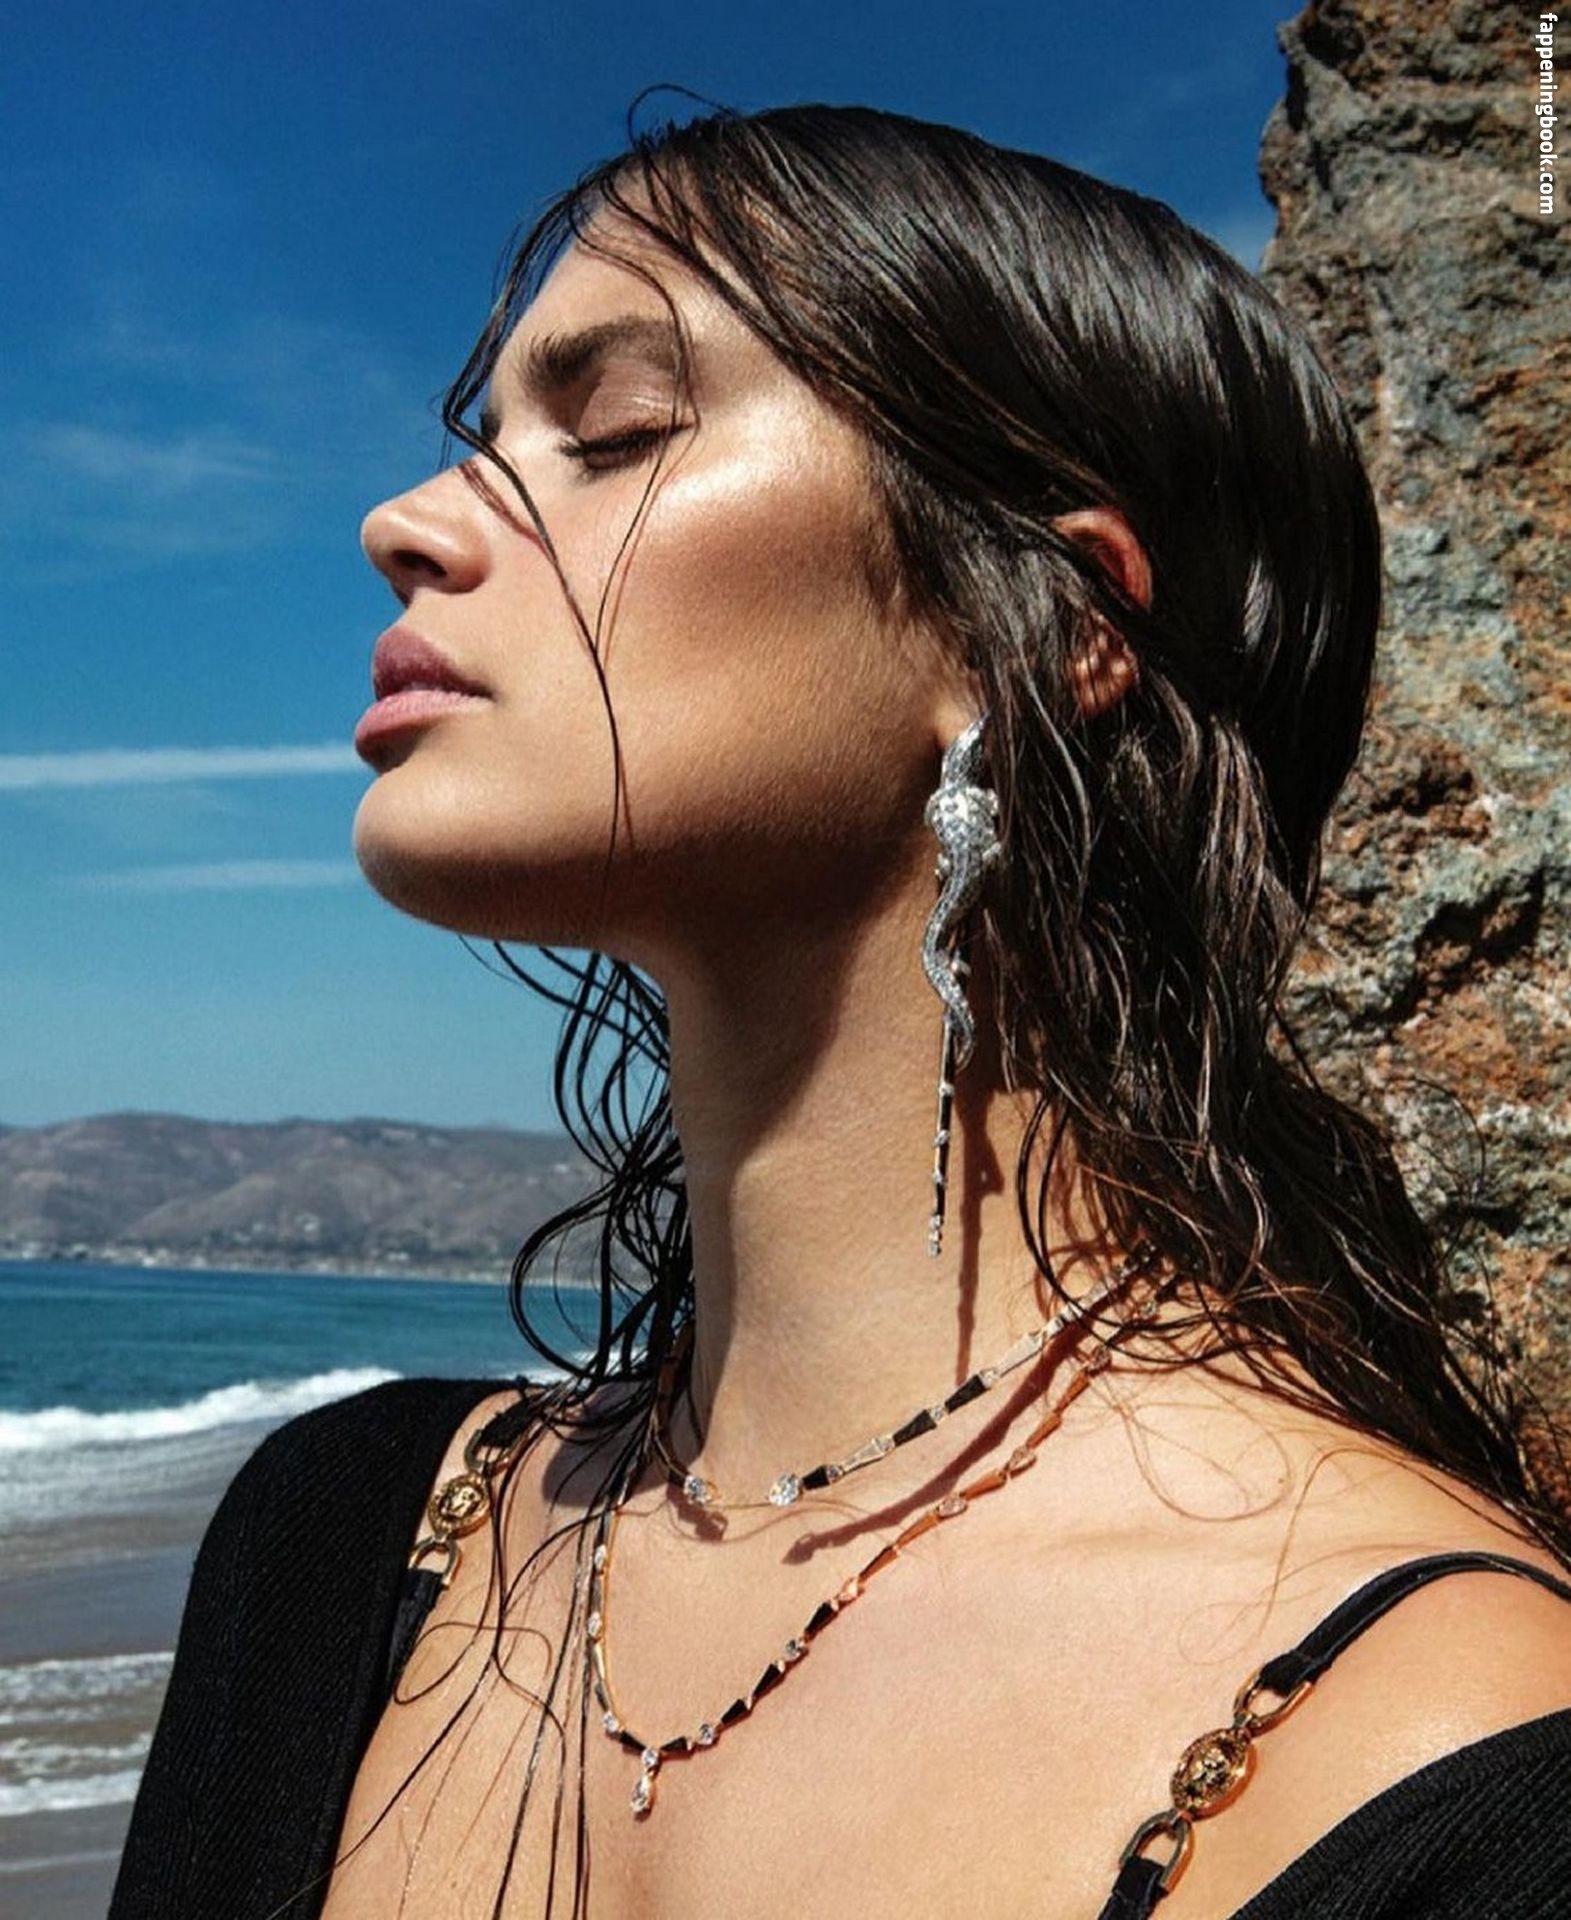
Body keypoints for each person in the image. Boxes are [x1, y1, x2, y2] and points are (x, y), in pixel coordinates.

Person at [111, 103, 1571, 1920]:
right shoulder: (339, 1545)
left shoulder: (1452, 1757)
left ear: (1048, 631)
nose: (401, 524)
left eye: (613, 430)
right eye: (484, 445)